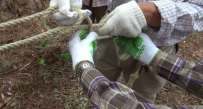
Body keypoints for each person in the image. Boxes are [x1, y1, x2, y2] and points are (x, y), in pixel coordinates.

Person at [49, 0, 203, 103]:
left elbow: (199, 12)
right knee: (100, 78)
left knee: (141, 96)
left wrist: (146, 13)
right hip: (110, 27)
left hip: (158, 42)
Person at [68, 30, 203, 109]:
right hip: (113, 32)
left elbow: (131, 105)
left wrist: (83, 66)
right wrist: (156, 57)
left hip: (162, 41)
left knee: (143, 93)